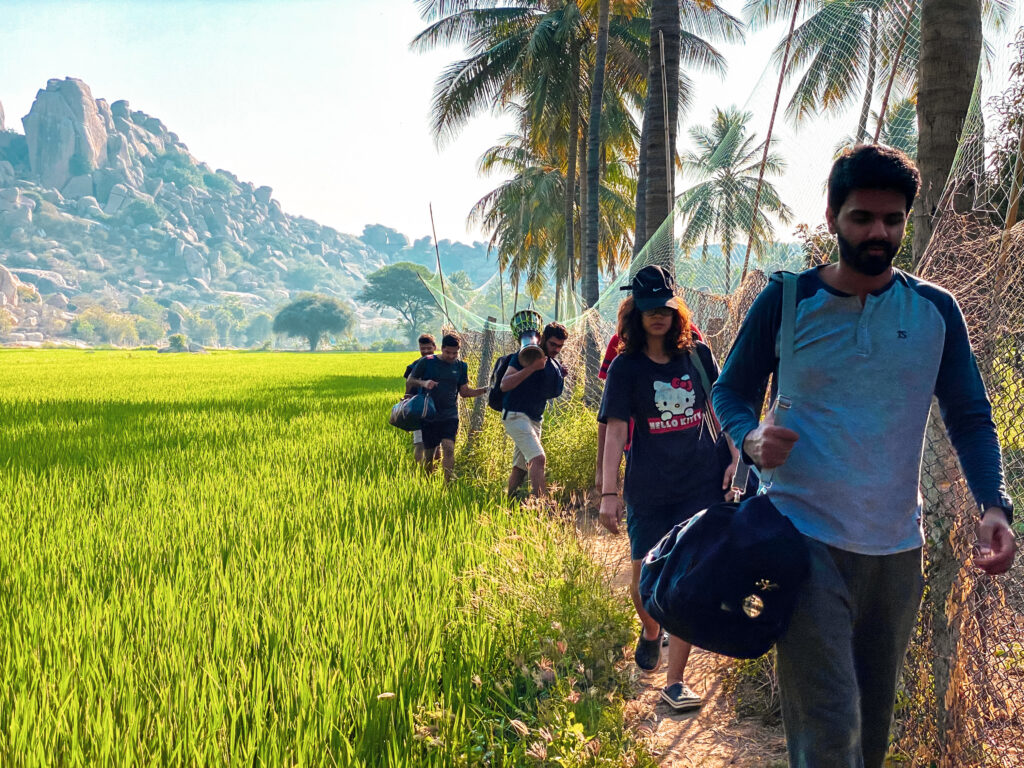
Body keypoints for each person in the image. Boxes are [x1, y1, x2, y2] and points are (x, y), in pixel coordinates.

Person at [712, 144, 1016, 767]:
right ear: (831, 216)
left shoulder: (935, 312)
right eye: (862, 218)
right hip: (802, 539)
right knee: (830, 723)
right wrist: (747, 439)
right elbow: (731, 391)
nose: (879, 232)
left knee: (872, 724)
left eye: (892, 219)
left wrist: (994, 503)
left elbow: (970, 415)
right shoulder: (788, 301)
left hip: (896, 552)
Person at [597, 264, 739, 712]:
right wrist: (608, 493)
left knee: (688, 580)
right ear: (635, 314)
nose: (658, 315)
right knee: (643, 581)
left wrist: (736, 456)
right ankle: (651, 629)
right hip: (649, 488)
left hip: (700, 481)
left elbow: (722, 409)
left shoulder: (698, 355)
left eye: (665, 307)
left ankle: (675, 680)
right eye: (648, 309)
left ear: (676, 309)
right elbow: (616, 431)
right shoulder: (625, 367)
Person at [594, 323, 705, 491]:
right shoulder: (620, 340)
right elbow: (610, 411)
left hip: (688, 449)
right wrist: (602, 471)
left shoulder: (690, 335)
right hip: (637, 449)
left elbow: (710, 398)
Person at [407, 333, 487, 481]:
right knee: (430, 455)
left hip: (450, 414)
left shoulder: (461, 366)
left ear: (459, 351)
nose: (451, 356)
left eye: (455, 353)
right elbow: (411, 379)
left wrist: (484, 390)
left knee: (449, 448)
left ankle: (447, 484)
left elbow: (464, 392)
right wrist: (424, 383)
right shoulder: (427, 361)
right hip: (429, 414)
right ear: (441, 349)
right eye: (448, 352)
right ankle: (427, 481)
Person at [501, 322, 568, 498]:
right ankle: (542, 508)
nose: (556, 349)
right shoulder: (526, 355)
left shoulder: (551, 362)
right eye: (553, 344)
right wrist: (531, 367)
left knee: (520, 468)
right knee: (538, 459)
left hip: (534, 418)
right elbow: (505, 384)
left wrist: (560, 373)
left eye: (560, 346)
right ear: (543, 339)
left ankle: (507, 503)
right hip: (515, 414)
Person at [404, 333, 438, 463]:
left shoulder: (442, 364)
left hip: (438, 408)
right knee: (419, 443)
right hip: (419, 408)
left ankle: (432, 472)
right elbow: (408, 388)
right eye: (422, 349)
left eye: (428, 348)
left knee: (437, 445)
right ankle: (421, 475)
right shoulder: (413, 366)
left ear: (435, 347)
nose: (425, 351)